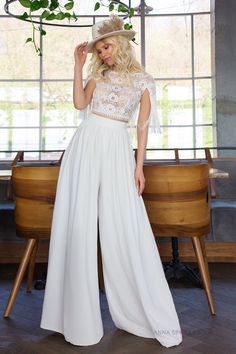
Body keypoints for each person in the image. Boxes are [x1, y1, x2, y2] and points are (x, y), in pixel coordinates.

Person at [40, 15, 182, 348]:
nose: (101, 54)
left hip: (118, 148)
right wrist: (77, 66)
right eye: (98, 50)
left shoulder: (144, 80)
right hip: (85, 146)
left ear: (118, 45)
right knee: (78, 224)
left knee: (124, 223)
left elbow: (142, 128)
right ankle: (74, 320)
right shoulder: (97, 75)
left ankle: (139, 310)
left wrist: (139, 166)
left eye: (105, 48)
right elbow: (79, 103)